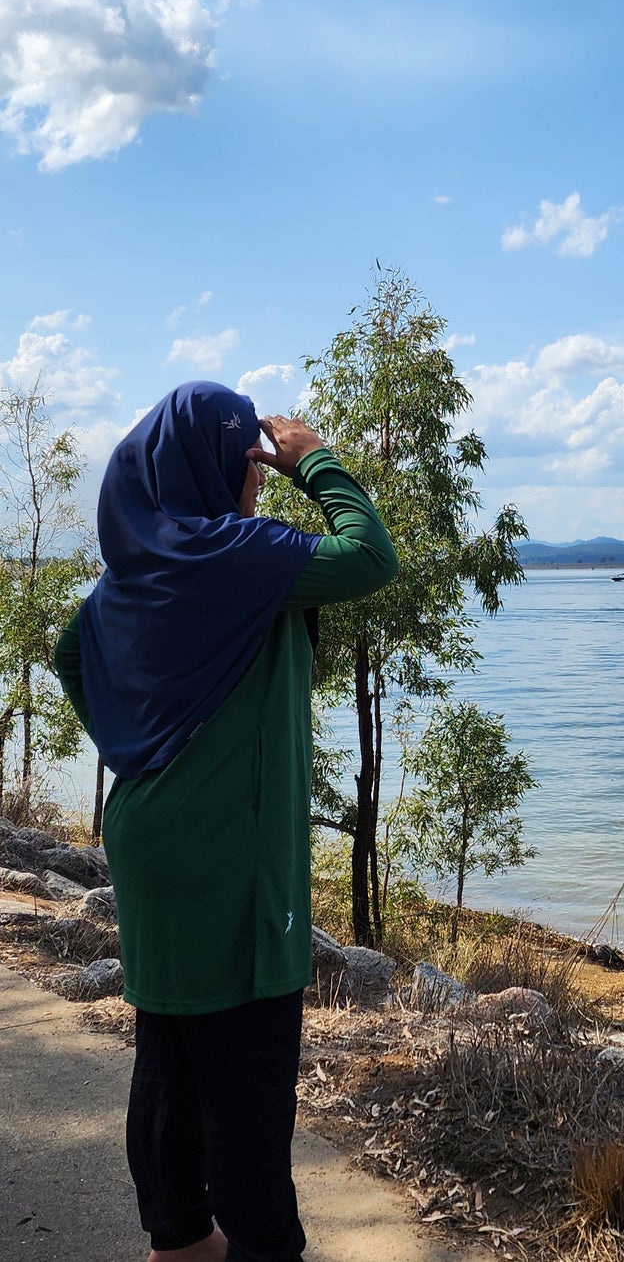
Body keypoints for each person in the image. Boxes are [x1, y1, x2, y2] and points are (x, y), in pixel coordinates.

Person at [53, 381, 398, 1262]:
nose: (254, 480)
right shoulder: (242, 557)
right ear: (216, 465)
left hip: (147, 832)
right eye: (246, 460)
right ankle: (263, 1246)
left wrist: (138, 739)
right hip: (228, 854)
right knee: (247, 1078)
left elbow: (68, 655)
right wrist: (313, 459)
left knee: (167, 1044)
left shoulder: (128, 578)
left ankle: (177, 1239)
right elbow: (368, 557)